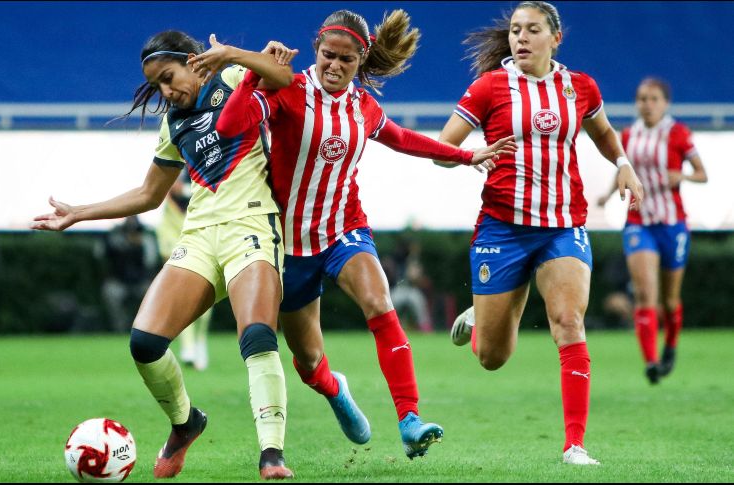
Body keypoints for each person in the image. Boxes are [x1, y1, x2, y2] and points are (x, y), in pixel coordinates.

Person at [190, 9, 516, 459]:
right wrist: (249, 73)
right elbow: (228, 126)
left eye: (346, 60)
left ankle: (409, 419)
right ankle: (334, 389)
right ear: (317, 49)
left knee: (380, 301)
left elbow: (402, 137)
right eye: (328, 56)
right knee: (307, 363)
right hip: (287, 246)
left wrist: (466, 155)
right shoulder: (288, 89)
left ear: (360, 61)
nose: (334, 66)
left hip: (344, 228)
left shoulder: (362, 106)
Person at [31, 30, 298, 480]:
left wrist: (234, 52)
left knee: (256, 337)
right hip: (198, 235)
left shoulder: (234, 76)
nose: (165, 91)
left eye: (168, 78)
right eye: (157, 85)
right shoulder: (172, 122)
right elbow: (149, 194)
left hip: (252, 225)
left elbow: (285, 77)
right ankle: (185, 423)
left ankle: (271, 453)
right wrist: (79, 212)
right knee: (145, 343)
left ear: (194, 61)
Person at [439, 1, 644, 465]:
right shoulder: (490, 87)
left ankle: (575, 445)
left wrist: (625, 165)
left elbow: (605, 132)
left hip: (562, 225)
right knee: (492, 357)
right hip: (503, 229)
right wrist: (474, 155)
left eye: (532, 30)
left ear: (556, 37)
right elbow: (441, 147)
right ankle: (483, 318)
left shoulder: (580, 87)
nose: (521, 38)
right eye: (515, 30)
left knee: (569, 322)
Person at [596, 77, 707, 384]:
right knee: (645, 293)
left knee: (670, 300)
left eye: (654, 98)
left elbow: (702, 174)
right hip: (638, 222)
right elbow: (623, 169)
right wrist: (607, 195)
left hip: (672, 224)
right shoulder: (629, 135)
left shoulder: (678, 133)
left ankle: (670, 345)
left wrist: (681, 176)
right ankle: (651, 361)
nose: (648, 104)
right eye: (643, 98)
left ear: (665, 102)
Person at [155, 171, 212, 371]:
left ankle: (200, 342)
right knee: (183, 305)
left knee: (204, 311)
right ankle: (188, 348)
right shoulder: (167, 213)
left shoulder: (198, 200)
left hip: (205, 261)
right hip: (181, 265)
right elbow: (164, 242)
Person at [99, 215, 159, 332]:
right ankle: (119, 329)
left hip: (141, 281)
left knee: (152, 293)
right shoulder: (114, 238)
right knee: (110, 292)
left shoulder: (146, 238)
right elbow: (102, 255)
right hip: (119, 281)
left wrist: (139, 246)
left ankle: (147, 329)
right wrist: (123, 246)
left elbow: (150, 262)